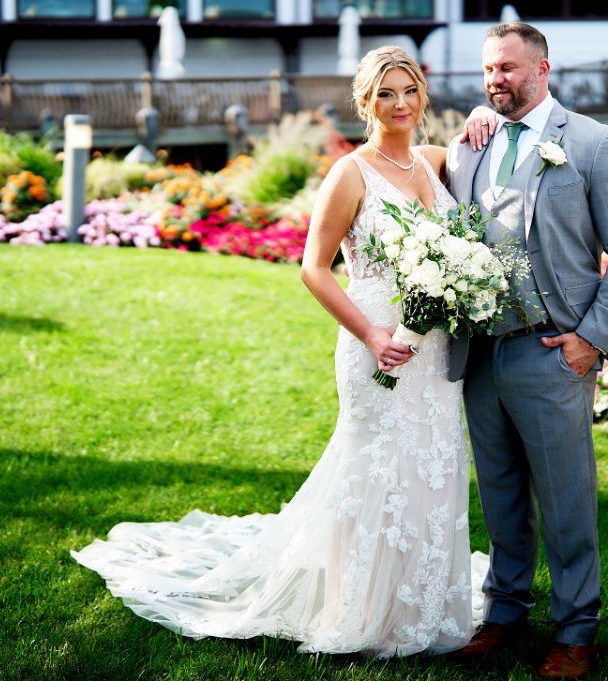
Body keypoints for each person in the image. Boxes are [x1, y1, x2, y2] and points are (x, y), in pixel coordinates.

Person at [71, 46, 487, 656]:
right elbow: (313, 269)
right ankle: (356, 610)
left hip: (433, 350)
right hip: (373, 342)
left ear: (424, 96)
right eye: (386, 94)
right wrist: (371, 334)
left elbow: (487, 151)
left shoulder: (433, 162)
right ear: (365, 102)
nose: (400, 104)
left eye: (410, 91)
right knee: (371, 468)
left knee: (434, 465)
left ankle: (422, 606)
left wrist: (480, 111)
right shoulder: (351, 172)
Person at [446, 22, 608, 679]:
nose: (494, 79)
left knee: (565, 504)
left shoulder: (593, 143)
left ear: (542, 68)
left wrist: (591, 339)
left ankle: (576, 632)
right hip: (482, 352)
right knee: (501, 496)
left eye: (506, 68)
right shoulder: (473, 144)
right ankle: (504, 612)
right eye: (487, 70)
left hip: (553, 350)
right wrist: (478, 117)